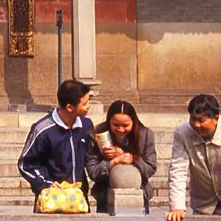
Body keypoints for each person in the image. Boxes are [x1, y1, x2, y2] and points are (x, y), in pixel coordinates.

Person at [18, 79, 94, 210]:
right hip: (51, 201)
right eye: (85, 103)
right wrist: (45, 183)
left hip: (78, 200)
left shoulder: (86, 126)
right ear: (69, 107)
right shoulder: (43, 130)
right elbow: (26, 164)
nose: (89, 106)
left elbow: (92, 157)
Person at [85, 100, 157, 213]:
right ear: (109, 121)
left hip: (139, 191)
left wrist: (129, 157)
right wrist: (113, 162)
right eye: (116, 125)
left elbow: (150, 168)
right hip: (105, 193)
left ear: (133, 122)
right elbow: (93, 171)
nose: (120, 129)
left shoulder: (145, 135)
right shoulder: (97, 134)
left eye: (125, 125)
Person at [166, 93, 221, 221]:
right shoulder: (182, 133)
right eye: (192, 119)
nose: (196, 125)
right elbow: (178, 170)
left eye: (201, 120)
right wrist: (177, 207)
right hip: (204, 205)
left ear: (216, 118)